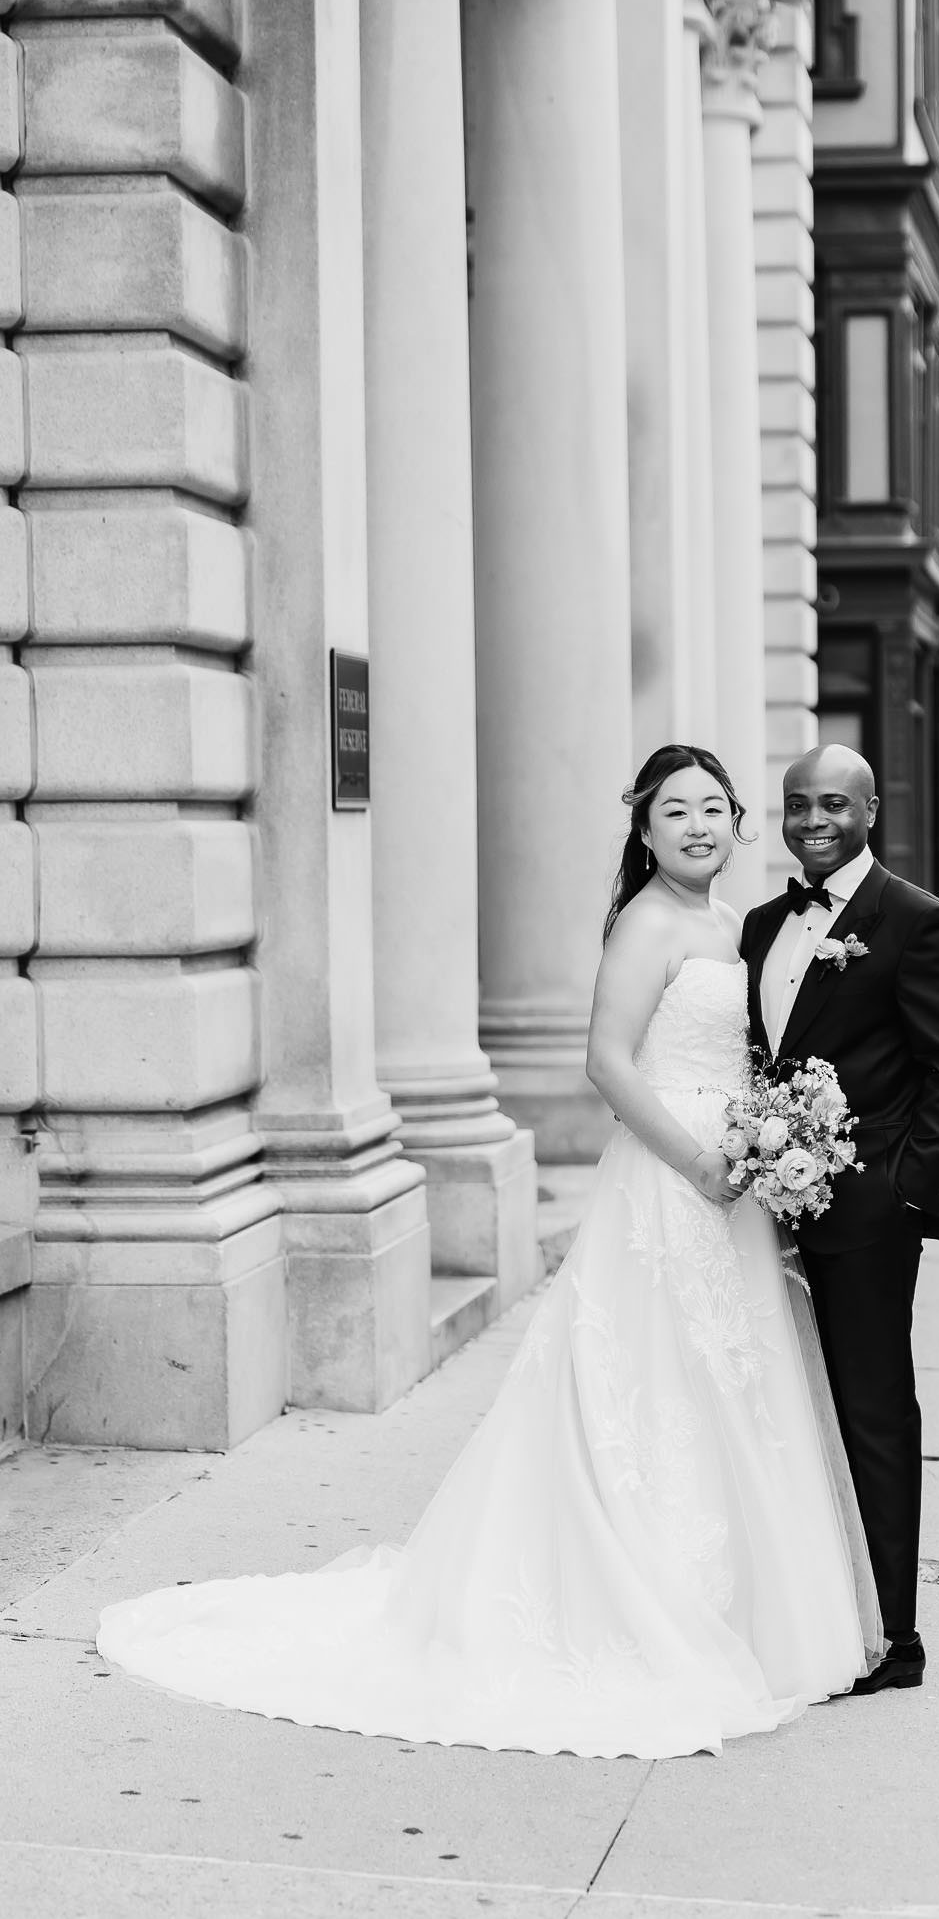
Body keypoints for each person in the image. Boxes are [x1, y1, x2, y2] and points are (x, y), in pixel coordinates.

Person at [96, 745, 880, 1758]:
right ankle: (636, 1598)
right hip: (671, 1175)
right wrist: (697, 1162)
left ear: (737, 823)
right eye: (674, 811)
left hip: (733, 1181)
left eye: (713, 809)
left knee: (727, 1378)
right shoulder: (645, 926)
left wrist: (773, 1142)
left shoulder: (737, 924)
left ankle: (748, 1615)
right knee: (645, 1380)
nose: (696, 826)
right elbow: (605, 1062)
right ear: (641, 832)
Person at [740, 745, 939, 1694]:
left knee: (874, 1410)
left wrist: (904, 1188)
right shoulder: (763, 924)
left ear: (871, 810)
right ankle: (814, 1606)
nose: (813, 819)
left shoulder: (918, 922)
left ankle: (897, 1635)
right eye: (799, 803)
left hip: (866, 1210)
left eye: (834, 804)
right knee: (787, 1401)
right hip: (766, 1204)